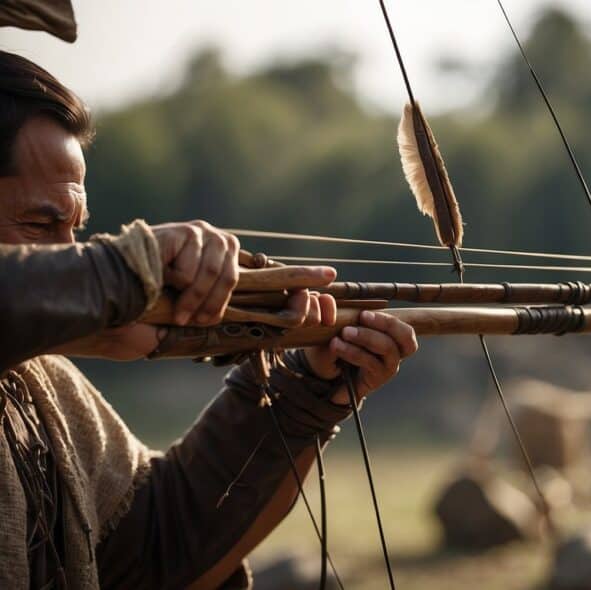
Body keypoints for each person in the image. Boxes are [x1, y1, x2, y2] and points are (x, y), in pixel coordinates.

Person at [0, 38, 417, 590]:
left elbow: (158, 545)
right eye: (38, 226)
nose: (70, 250)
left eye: (75, 230)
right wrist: (128, 273)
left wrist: (305, 390)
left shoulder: (40, 386)